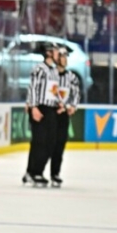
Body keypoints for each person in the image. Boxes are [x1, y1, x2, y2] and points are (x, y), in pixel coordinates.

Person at [22, 42, 61, 186]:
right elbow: (32, 88)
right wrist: (33, 106)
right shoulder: (39, 69)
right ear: (49, 52)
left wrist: (59, 102)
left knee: (50, 142)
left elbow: (53, 91)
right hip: (40, 107)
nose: (59, 54)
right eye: (56, 51)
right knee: (40, 142)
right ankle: (35, 172)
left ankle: (32, 172)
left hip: (51, 109)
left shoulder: (54, 71)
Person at [48, 45, 80, 187]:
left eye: (66, 56)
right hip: (50, 113)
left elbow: (76, 94)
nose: (65, 59)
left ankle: (55, 174)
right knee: (46, 145)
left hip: (63, 115)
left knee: (60, 145)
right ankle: (35, 171)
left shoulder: (71, 77)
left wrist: (72, 106)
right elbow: (47, 92)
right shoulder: (49, 74)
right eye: (62, 56)